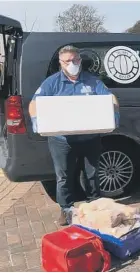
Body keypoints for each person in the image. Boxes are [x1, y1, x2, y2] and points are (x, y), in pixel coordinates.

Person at [28, 45, 120, 226]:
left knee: (92, 174)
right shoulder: (51, 83)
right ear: (61, 63)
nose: (72, 64)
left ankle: (95, 204)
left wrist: (114, 114)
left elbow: (110, 98)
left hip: (90, 138)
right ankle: (66, 209)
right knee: (63, 176)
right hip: (62, 141)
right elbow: (34, 104)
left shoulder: (93, 81)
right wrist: (36, 121)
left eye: (75, 60)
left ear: (80, 60)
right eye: (68, 61)